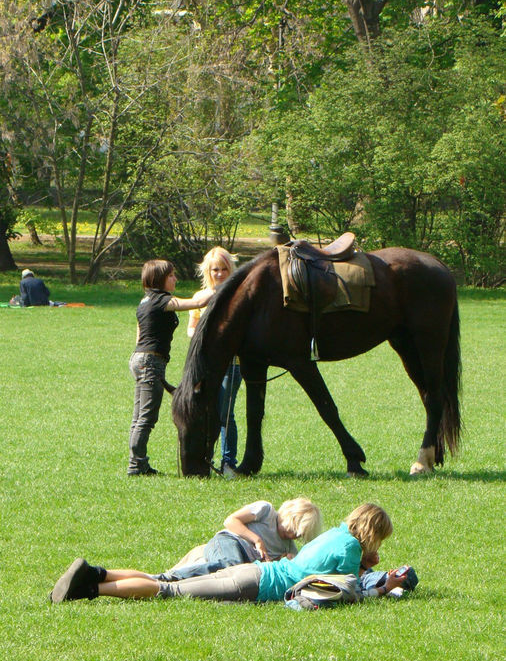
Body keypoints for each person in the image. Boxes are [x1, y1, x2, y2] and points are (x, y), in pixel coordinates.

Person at [50, 502, 408, 603]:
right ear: (372, 533)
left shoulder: (336, 535)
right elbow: (347, 591)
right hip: (255, 584)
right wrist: (383, 585)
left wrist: (364, 565)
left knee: (169, 580)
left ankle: (97, 574)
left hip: (254, 573)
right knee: (169, 589)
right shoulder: (348, 548)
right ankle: (90, 589)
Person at [128, 258, 214, 476]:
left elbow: (140, 335)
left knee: (139, 417)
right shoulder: (160, 301)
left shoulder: (145, 301)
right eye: (171, 275)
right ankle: (136, 466)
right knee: (146, 417)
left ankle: (138, 463)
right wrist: (222, 286)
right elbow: (195, 304)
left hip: (140, 358)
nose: (175, 279)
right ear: (159, 279)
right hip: (150, 362)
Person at [161, 498, 322, 582]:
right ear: (288, 515)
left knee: (237, 575)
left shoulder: (289, 548)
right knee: (231, 568)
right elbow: (230, 521)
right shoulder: (266, 511)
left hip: (246, 562)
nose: (291, 536)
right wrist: (256, 539)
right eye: (290, 529)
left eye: (297, 535)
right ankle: (169, 577)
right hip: (230, 541)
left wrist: (281, 561)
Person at [187, 247, 241, 478]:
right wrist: (200, 335)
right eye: (215, 269)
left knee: (225, 412)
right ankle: (204, 459)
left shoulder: (237, 295)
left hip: (232, 363)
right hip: (205, 364)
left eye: (224, 269)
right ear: (207, 271)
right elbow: (191, 329)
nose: (219, 274)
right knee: (207, 411)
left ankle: (228, 462)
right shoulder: (200, 297)